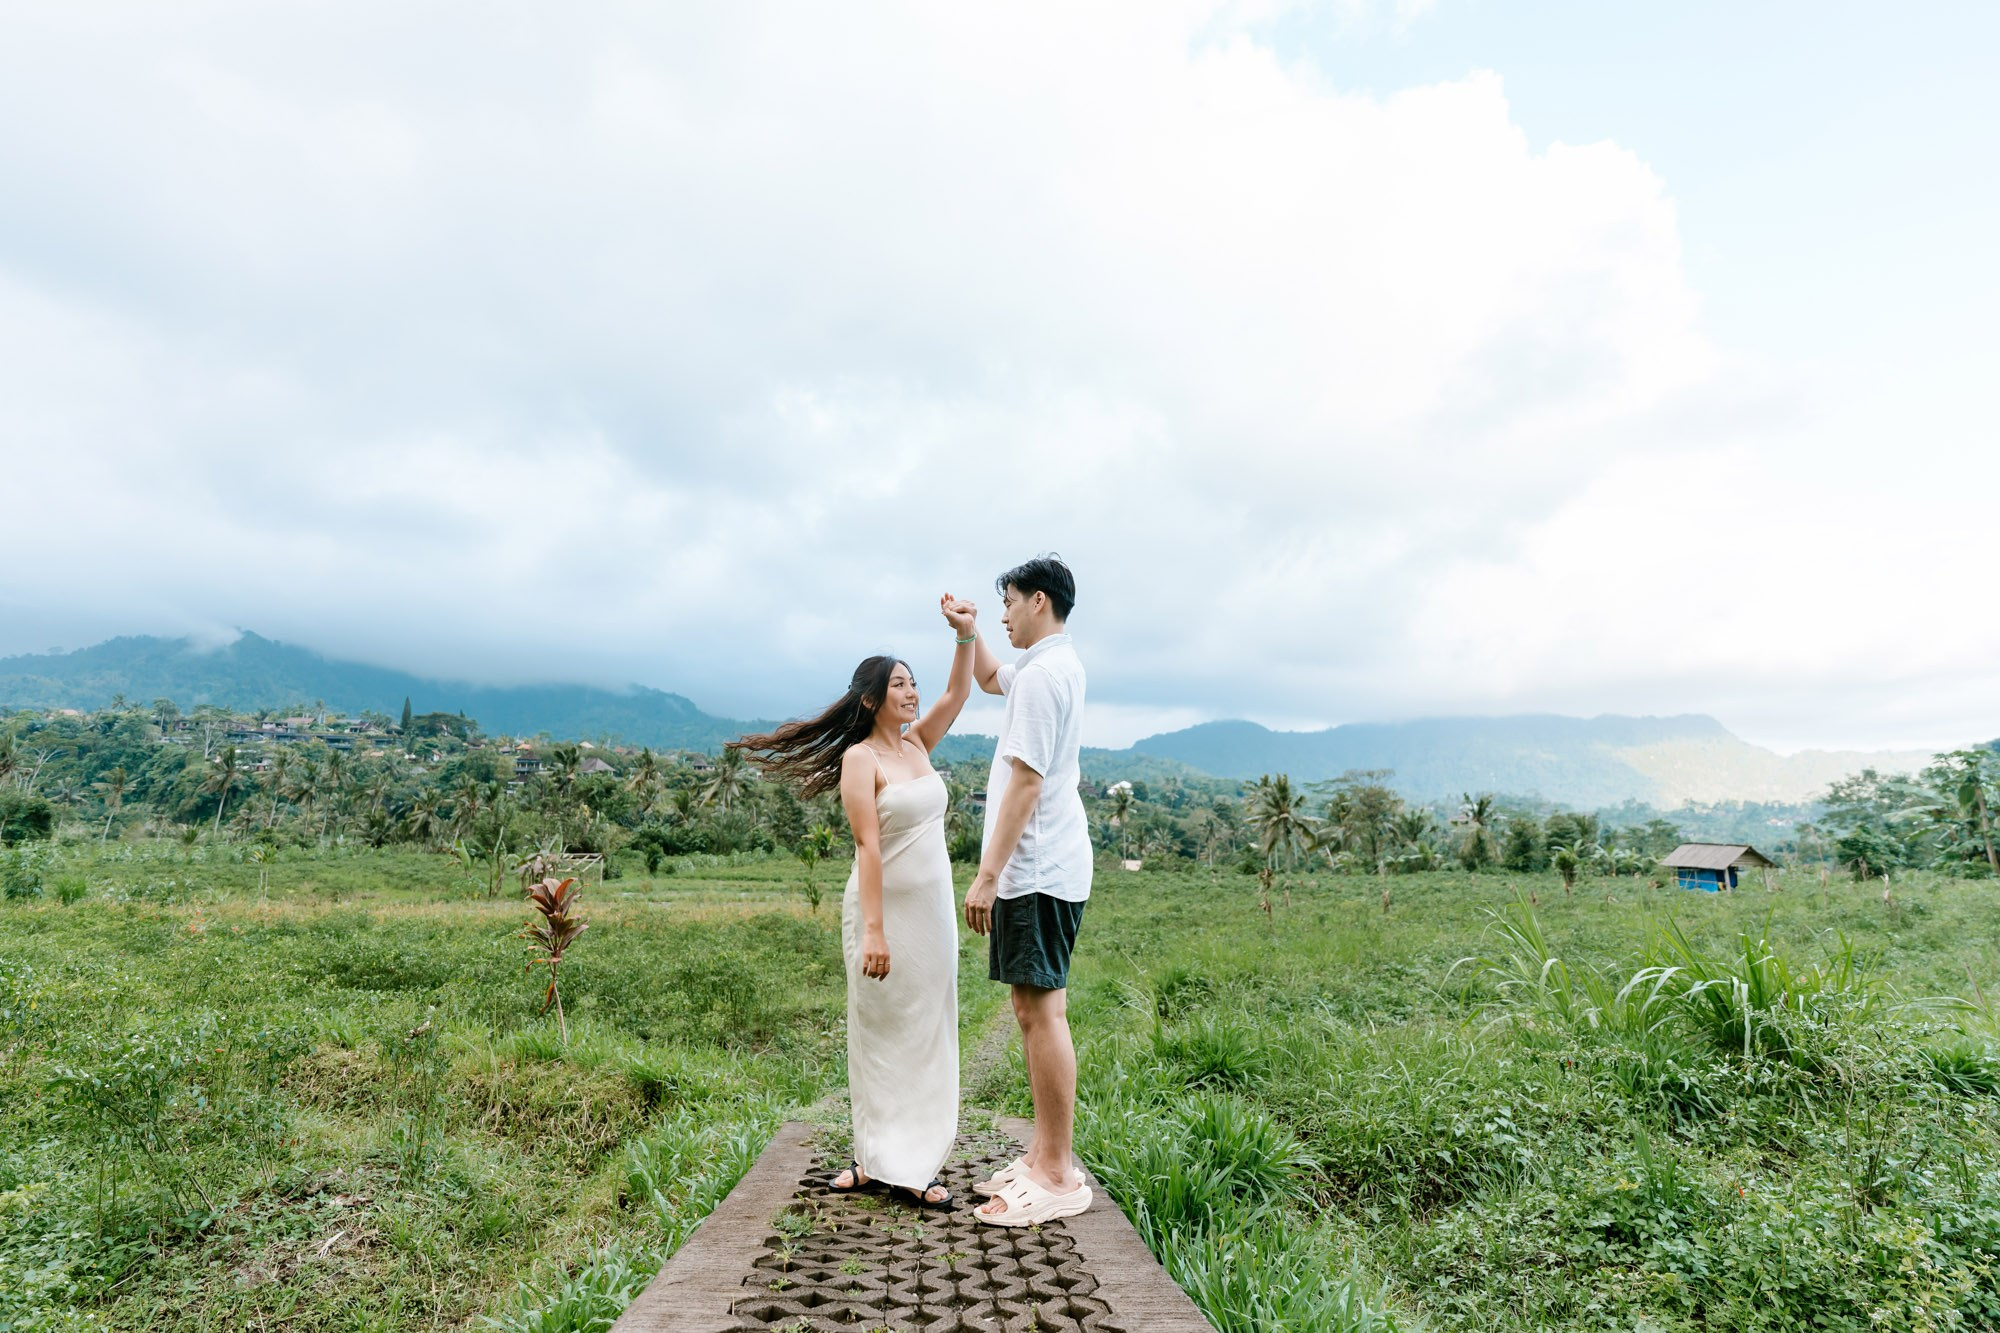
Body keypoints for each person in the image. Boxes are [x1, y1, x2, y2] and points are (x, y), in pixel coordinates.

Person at [731, 594, 980, 1208]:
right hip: (881, 913)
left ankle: (919, 1161)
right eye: (900, 685)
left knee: (929, 1029)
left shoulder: (919, 745)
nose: (913, 694)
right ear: (872, 698)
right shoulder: (859, 758)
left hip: (932, 915)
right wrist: (874, 931)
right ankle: (874, 1159)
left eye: (913, 684)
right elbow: (869, 848)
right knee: (879, 1031)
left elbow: (958, 695)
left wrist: (965, 636)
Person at [959, 554, 1094, 1226]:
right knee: (1030, 1008)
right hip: (1043, 868)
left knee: (1042, 1013)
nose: (1004, 614)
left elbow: (1028, 781)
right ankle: (1044, 1153)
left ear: (1038, 600)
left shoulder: (1045, 678)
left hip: (1036, 868)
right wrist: (967, 629)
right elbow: (987, 676)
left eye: (1008, 602)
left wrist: (987, 875)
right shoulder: (1045, 668)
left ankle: (1058, 1171)